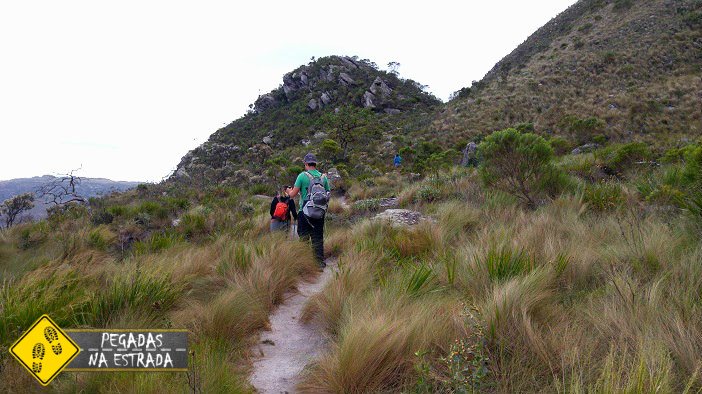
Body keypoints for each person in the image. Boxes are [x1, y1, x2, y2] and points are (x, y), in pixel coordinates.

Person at [287, 153, 331, 269]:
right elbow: (328, 194)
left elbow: (292, 195)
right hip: (320, 213)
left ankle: (305, 264)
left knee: (304, 238)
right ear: (315, 164)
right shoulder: (323, 177)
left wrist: (288, 191)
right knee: (317, 237)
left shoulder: (302, 176)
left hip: (304, 212)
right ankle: (319, 264)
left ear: (306, 164)